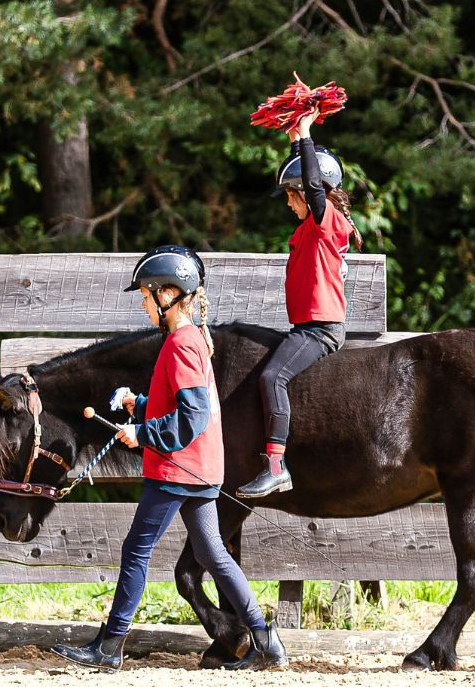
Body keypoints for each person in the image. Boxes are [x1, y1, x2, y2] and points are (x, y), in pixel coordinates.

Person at [51, 245, 287, 673]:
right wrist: (137, 405)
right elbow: (177, 405)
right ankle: (266, 639)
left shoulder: (180, 344)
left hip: (176, 469)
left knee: (136, 551)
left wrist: (141, 434)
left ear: (170, 295)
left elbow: (191, 418)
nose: (143, 303)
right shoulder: (190, 340)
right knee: (214, 554)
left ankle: (110, 646)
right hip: (198, 468)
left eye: (145, 295)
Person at [236, 109, 363, 499]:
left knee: (272, 377)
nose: (289, 204)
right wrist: (294, 138)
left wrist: (306, 132)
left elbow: (313, 182)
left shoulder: (328, 223)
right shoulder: (310, 229)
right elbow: (310, 179)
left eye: (292, 196)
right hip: (305, 328)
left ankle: (276, 465)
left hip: (321, 330)